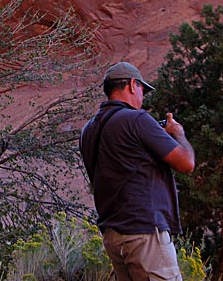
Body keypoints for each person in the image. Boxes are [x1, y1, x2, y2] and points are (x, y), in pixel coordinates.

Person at [80, 61, 195, 281]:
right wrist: (177, 133)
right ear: (133, 85)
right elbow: (186, 163)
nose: (143, 97)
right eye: (142, 89)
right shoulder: (137, 119)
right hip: (144, 234)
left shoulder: (89, 129)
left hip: (113, 235)